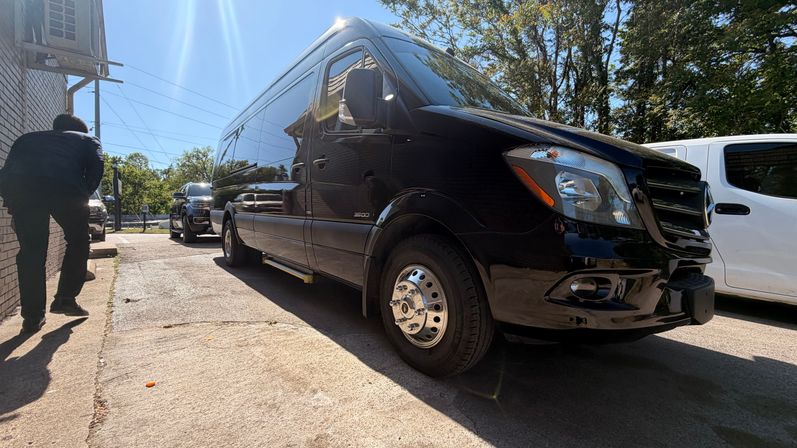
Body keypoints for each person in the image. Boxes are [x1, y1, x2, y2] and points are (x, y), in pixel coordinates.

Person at [0, 114, 104, 333]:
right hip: (66, 191)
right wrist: (82, 196)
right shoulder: (87, 140)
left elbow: (6, 174)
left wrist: (13, 206)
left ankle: (32, 317)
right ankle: (65, 298)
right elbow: (96, 170)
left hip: (25, 194)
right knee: (78, 240)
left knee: (31, 252)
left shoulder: (26, 139)